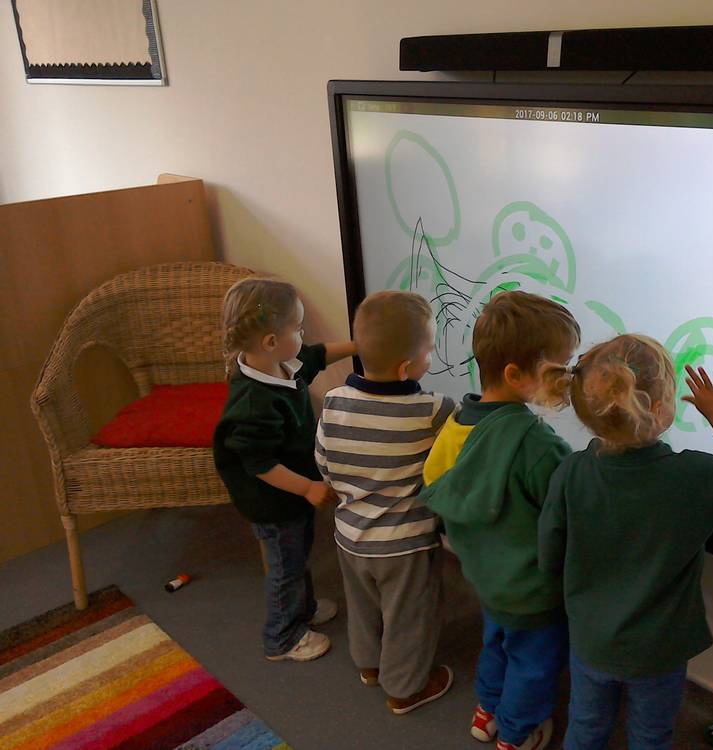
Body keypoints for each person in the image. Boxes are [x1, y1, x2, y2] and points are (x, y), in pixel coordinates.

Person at [536, 334, 713, 750]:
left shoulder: (571, 472)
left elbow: (550, 553)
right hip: (658, 651)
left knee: (586, 726)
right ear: (661, 411)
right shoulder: (690, 478)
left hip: (591, 640)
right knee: (651, 735)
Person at [421, 291, 581, 750]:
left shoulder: (455, 425)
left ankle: (487, 708)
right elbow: (568, 511)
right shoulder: (536, 444)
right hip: (533, 590)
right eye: (560, 369)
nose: (569, 379)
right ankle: (516, 731)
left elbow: (436, 487)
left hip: (487, 577)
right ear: (515, 375)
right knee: (535, 662)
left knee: (496, 642)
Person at [315, 290, 456, 714]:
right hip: (405, 544)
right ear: (405, 368)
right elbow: (448, 469)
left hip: (349, 536)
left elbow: (324, 464)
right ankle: (405, 688)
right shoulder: (434, 410)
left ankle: (370, 664)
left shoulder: (334, 401)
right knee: (409, 615)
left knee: (363, 604)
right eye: (429, 351)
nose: (432, 358)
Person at [213, 277, 353, 662]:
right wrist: (306, 488)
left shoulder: (281, 363)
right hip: (272, 500)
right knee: (286, 565)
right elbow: (259, 464)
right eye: (299, 328)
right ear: (271, 341)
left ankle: (303, 610)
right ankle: (282, 636)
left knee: (299, 552)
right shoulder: (253, 401)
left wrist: (359, 345)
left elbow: (318, 355)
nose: (303, 336)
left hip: (291, 490)